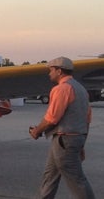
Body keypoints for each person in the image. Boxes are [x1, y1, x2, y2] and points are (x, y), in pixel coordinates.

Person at [29, 57, 94, 199]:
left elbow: (52, 118)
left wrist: (37, 130)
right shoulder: (81, 89)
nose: (49, 73)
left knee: (76, 180)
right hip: (73, 138)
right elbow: (87, 119)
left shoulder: (61, 89)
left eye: (51, 70)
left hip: (64, 140)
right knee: (50, 175)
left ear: (59, 71)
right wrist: (81, 144)